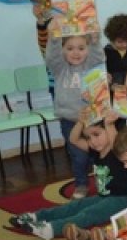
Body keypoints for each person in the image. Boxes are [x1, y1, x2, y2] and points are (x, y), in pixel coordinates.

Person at [9, 109, 127, 240]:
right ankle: (36, 216)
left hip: (122, 200)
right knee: (75, 206)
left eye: (96, 134)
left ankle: (51, 229)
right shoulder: (96, 152)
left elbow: (115, 141)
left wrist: (109, 124)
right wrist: (80, 122)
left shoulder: (117, 151)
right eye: (88, 137)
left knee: (89, 213)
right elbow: (73, 139)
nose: (93, 141)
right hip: (104, 197)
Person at [45, 19, 105, 198]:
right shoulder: (60, 69)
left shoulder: (91, 65)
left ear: (87, 49)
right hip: (70, 121)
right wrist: (54, 38)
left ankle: (103, 181)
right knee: (79, 156)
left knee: (99, 153)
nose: (76, 52)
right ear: (63, 50)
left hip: (93, 119)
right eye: (70, 48)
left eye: (81, 48)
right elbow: (52, 57)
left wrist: (94, 40)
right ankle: (81, 185)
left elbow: (99, 57)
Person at [103, 13, 127, 86]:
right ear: (111, 39)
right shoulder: (104, 53)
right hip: (112, 90)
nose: (124, 45)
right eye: (120, 42)